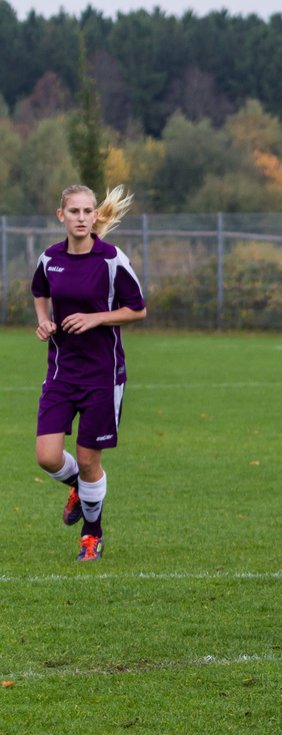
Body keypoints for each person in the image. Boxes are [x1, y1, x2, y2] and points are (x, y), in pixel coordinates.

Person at [32, 185, 146, 561]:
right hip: (62, 373)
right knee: (47, 456)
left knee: (87, 460)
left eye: (87, 211)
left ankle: (92, 535)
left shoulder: (112, 259)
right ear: (60, 215)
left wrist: (97, 318)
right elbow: (40, 292)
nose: (81, 217)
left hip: (102, 376)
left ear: (96, 216)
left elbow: (137, 309)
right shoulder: (50, 259)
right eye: (74, 211)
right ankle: (80, 489)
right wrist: (44, 322)